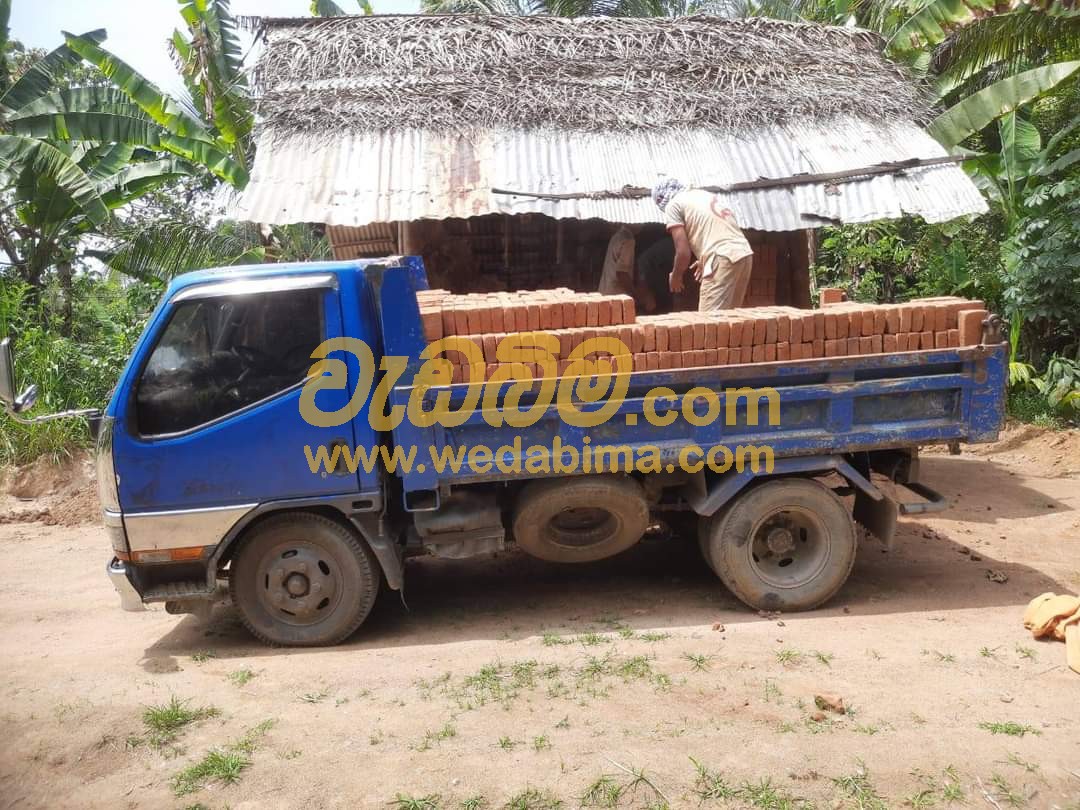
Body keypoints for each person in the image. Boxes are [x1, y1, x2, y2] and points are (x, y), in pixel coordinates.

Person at [652, 177, 754, 312]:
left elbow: (683, 252)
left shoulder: (673, 205)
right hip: (744, 254)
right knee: (730, 322)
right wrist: (705, 257)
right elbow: (718, 229)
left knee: (708, 325)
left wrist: (676, 276)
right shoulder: (703, 195)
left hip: (722, 255)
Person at [597, 224, 636, 296]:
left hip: (605, 290)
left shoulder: (617, 235)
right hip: (616, 294)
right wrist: (635, 295)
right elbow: (621, 273)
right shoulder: (628, 240)